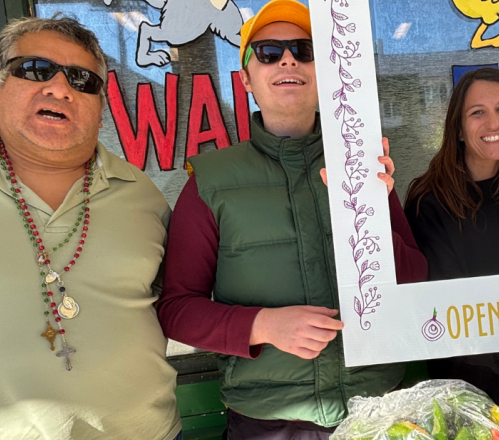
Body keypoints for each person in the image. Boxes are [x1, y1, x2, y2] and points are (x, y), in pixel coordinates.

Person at [155, 1, 428, 438]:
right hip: (269, 425)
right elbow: (177, 310)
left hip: (379, 413)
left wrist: (369, 214)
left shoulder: (363, 165)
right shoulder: (209, 182)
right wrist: (261, 325)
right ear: (246, 79)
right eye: (268, 52)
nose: (287, 60)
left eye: (304, 50)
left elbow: (412, 281)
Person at [0, 17, 182, 440]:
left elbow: (176, 302)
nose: (60, 88)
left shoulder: (142, 194)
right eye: (35, 69)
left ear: (100, 107)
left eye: (82, 80)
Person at [404, 68, 499, 438]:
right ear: (457, 128)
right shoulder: (430, 202)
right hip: (465, 397)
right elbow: (445, 307)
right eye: (477, 112)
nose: (493, 122)